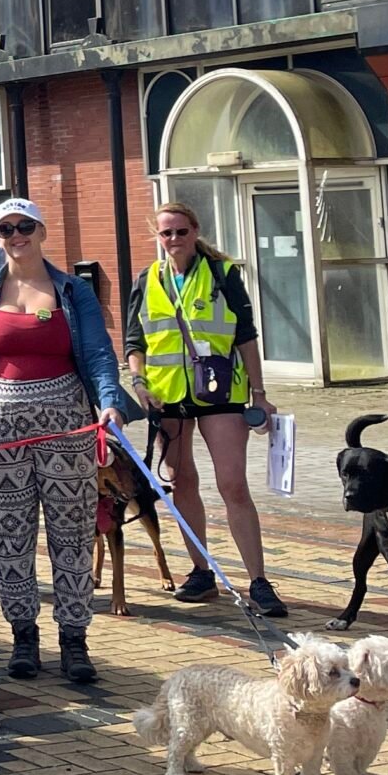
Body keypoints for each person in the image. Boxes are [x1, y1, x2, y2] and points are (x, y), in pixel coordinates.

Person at [0, 198, 132, 685]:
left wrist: (109, 402)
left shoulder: (72, 291)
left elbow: (97, 352)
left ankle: (74, 639)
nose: (16, 236)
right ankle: (23, 636)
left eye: (24, 226)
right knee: (10, 538)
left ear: (42, 230)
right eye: (5, 229)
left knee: (72, 533)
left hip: (68, 429)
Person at [124, 201, 288, 618]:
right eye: (166, 233)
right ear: (157, 237)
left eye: (180, 231)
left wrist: (259, 393)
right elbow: (134, 342)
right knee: (182, 482)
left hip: (221, 393)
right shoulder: (147, 279)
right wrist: (139, 383)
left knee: (232, 484)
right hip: (168, 396)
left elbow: (247, 336)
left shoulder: (222, 273)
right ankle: (201, 572)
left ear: (195, 232)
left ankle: (259, 581)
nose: (173, 240)